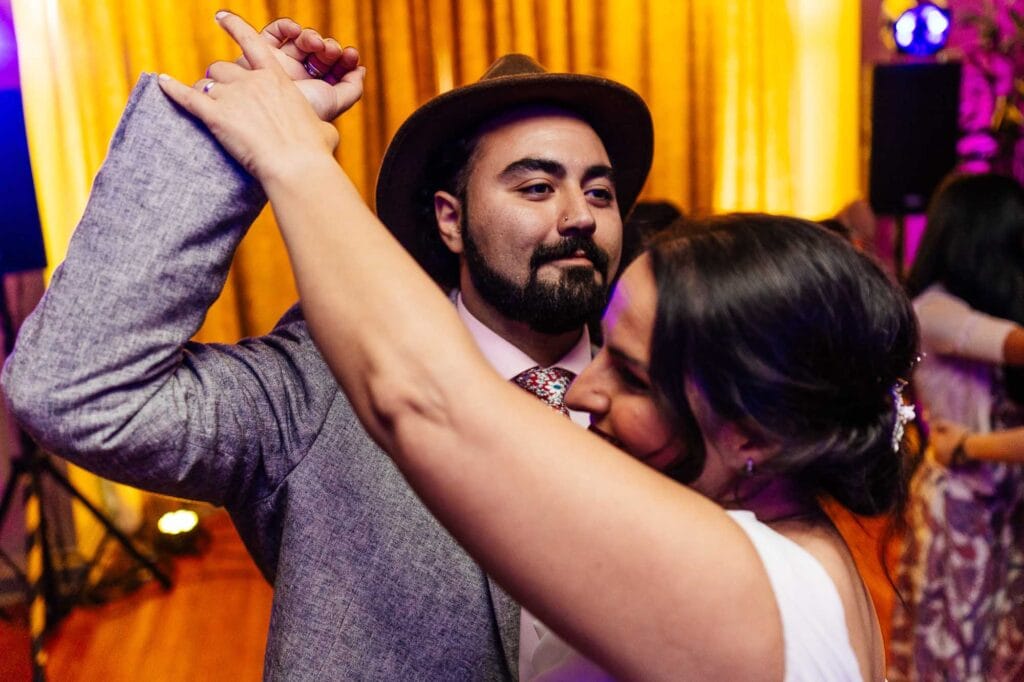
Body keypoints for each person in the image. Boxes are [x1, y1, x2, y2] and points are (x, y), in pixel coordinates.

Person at [154, 13, 920, 679]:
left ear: (754, 429)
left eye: (631, 373)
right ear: (450, 218)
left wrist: (291, 154)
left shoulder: (747, 587)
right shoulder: (797, 551)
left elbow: (423, 397)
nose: (582, 395)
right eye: (533, 187)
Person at [0, 16, 653, 681]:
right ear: (451, 221)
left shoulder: (674, 388)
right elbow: (75, 391)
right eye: (537, 188)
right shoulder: (327, 378)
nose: (579, 216)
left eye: (598, 192)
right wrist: (237, 145)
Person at [889, 172, 1024, 681]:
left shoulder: (984, 307)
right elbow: (1011, 342)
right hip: (959, 509)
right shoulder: (933, 310)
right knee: (949, 659)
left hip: (1006, 509)